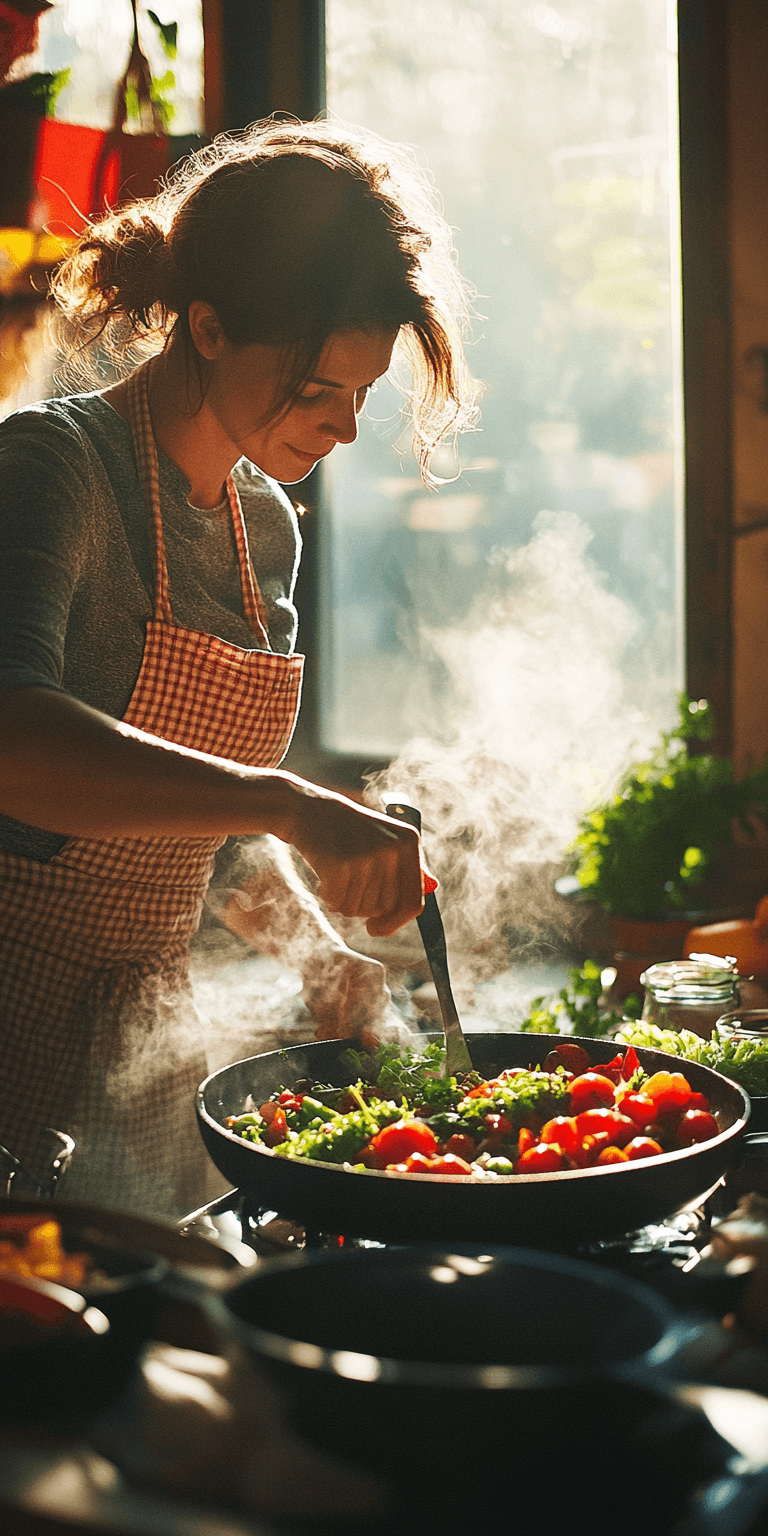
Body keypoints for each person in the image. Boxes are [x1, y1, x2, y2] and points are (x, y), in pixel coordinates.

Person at [0, 117, 478, 1217]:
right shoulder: (51, 472)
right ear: (207, 328)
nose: (347, 429)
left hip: (144, 1064)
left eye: (362, 392)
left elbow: (189, 836)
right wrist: (290, 804)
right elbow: (15, 740)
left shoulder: (267, 527)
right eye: (319, 388)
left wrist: (324, 960)